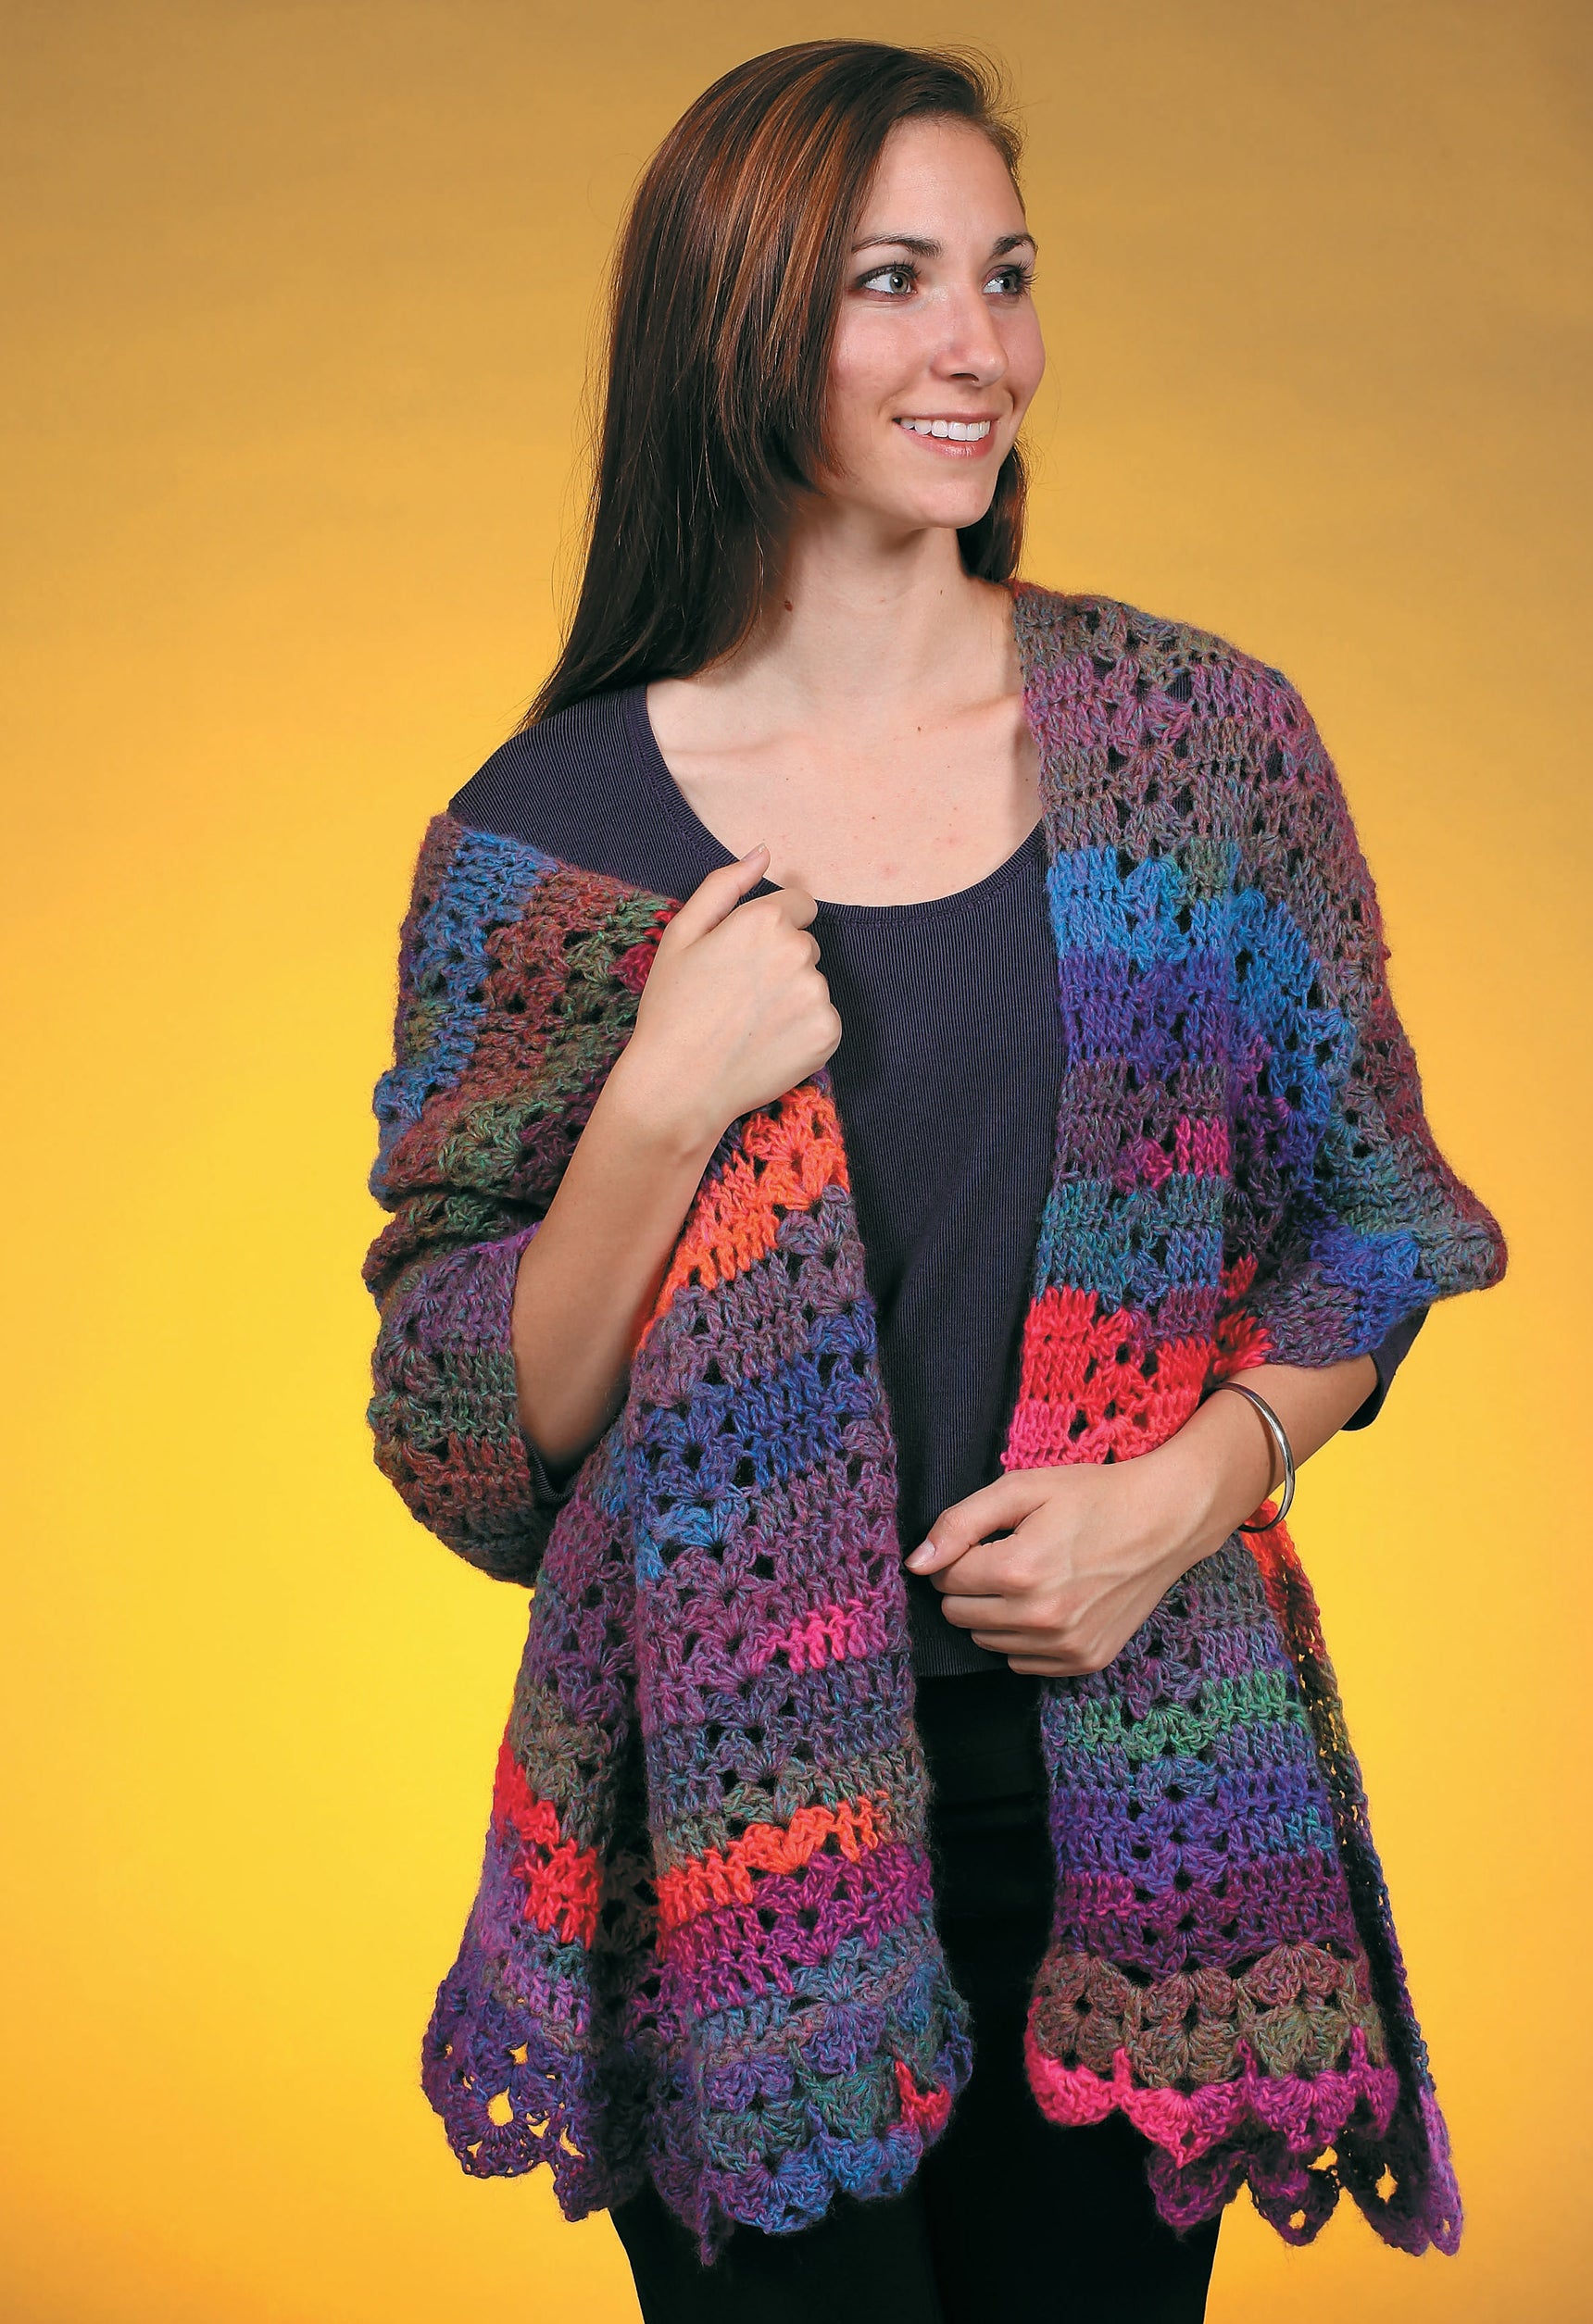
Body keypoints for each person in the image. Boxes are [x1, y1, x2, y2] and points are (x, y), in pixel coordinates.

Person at [362, 38, 1505, 2324]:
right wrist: (662, 1103)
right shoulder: (549, 833)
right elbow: (463, 1433)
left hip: (1140, 1806)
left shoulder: (1202, 747)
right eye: (891, 282)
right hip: (731, 1838)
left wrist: (1180, 1496)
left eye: (1001, 276)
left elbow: (1375, 1215)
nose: (974, 345)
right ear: (740, 320)